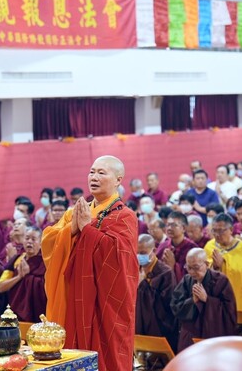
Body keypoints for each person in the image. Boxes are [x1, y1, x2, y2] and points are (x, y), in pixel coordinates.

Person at [42, 155, 138, 371]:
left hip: (103, 304)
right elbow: (48, 241)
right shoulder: (76, 212)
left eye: (101, 173)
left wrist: (88, 230)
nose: (94, 177)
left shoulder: (124, 216)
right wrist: (73, 229)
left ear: (118, 180)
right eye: (92, 172)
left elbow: (120, 261)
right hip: (72, 295)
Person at [171, 248, 237, 352]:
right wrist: (192, 301)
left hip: (213, 334)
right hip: (190, 335)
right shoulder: (186, 281)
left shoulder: (221, 281)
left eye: (196, 267)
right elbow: (175, 307)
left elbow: (229, 312)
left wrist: (207, 300)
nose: (192, 272)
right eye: (189, 268)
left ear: (206, 264)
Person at [204, 213, 242, 314]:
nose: (217, 234)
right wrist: (214, 266)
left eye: (221, 230)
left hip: (237, 297)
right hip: (215, 298)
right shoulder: (209, 246)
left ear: (231, 230)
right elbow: (202, 268)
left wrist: (224, 264)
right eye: (214, 231)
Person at [136, 234, 177, 351]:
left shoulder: (165, 273)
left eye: (143, 253)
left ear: (154, 250)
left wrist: (143, 285)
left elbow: (167, 305)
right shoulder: (134, 269)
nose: (139, 256)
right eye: (137, 252)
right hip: (138, 327)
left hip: (158, 330)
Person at [0, 226, 47, 323]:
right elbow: (1, 287)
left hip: (37, 311)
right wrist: (19, 276)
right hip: (14, 310)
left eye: (33, 239)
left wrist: (30, 278)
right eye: (27, 238)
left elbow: (47, 287)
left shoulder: (45, 262)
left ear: (41, 243)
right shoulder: (16, 260)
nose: (29, 242)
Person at [156, 212, 197, 282]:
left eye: (173, 225)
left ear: (183, 228)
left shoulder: (192, 249)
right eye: (168, 225)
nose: (169, 228)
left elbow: (193, 276)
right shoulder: (163, 246)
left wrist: (173, 266)